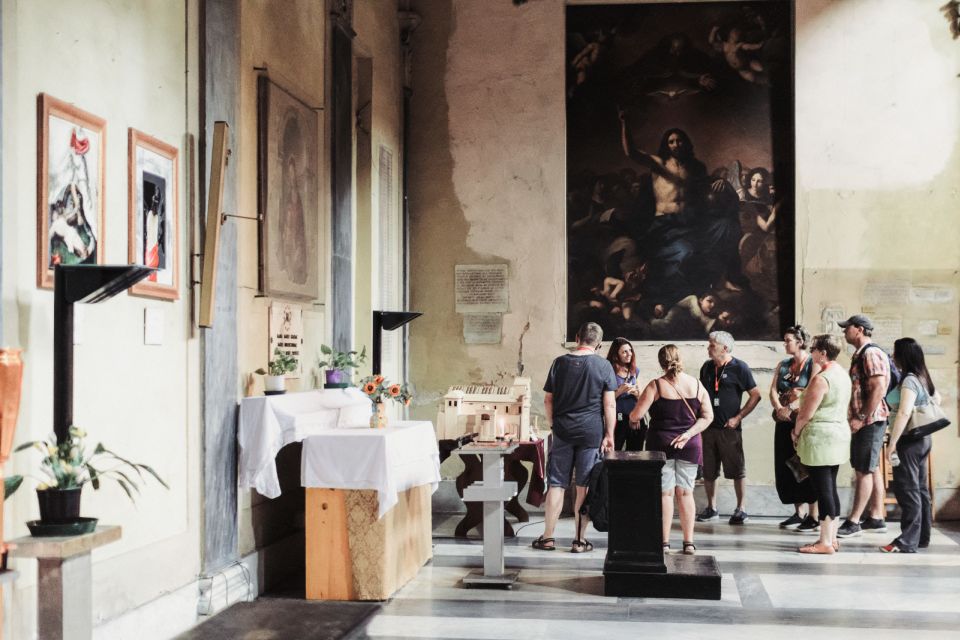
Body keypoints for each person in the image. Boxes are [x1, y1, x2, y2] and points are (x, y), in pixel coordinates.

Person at [534, 322, 617, 553]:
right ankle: (579, 541)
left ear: (577, 337)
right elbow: (609, 404)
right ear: (599, 344)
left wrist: (552, 425)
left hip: (563, 430)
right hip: (591, 432)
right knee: (584, 486)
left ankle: (548, 537)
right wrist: (609, 434)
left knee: (557, 483)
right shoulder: (603, 365)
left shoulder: (559, 363)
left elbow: (548, 399)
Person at [629, 345, 713, 554]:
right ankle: (689, 543)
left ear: (661, 362)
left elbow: (635, 416)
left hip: (661, 446)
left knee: (665, 494)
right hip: (690, 445)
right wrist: (688, 434)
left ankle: (664, 543)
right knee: (686, 493)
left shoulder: (656, 386)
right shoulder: (695, 384)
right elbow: (707, 417)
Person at [791, 334, 852, 554]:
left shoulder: (822, 378)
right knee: (830, 487)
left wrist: (796, 433)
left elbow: (806, 414)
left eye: (814, 348)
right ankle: (832, 538)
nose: (812, 351)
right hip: (838, 435)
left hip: (820, 439)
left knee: (823, 489)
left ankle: (825, 542)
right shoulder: (842, 374)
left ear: (823, 353)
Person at [697, 330, 761, 524]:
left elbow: (756, 395)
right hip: (708, 428)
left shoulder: (739, 367)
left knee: (737, 470)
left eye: (712, 345)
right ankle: (711, 508)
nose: (708, 348)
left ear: (724, 348)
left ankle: (741, 509)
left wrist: (738, 417)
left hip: (729, 429)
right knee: (709, 470)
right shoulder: (707, 368)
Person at [836, 315, 891, 538]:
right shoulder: (861, 354)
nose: (843, 332)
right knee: (871, 468)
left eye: (846, 328)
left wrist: (861, 416)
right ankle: (876, 517)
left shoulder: (870, 353)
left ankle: (854, 521)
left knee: (863, 471)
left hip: (870, 420)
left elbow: (878, 388)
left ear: (859, 329)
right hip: (869, 420)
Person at [882, 338, 939, 553]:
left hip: (909, 440)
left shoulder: (909, 381)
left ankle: (907, 541)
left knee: (908, 490)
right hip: (924, 438)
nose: (892, 355)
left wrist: (892, 443)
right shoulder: (922, 377)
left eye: (895, 352)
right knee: (920, 489)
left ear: (902, 355)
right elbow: (938, 399)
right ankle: (922, 537)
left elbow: (904, 412)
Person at [769, 325, 820, 532]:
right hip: (784, 420)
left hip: (803, 420)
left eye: (788, 339)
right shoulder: (783, 364)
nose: (785, 343)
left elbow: (811, 391)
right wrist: (781, 408)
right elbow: (772, 390)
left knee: (805, 465)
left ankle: (814, 514)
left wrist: (792, 407)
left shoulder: (812, 364)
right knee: (786, 465)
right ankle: (798, 512)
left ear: (800, 341)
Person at [605, 337, 645, 451]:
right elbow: (604, 400)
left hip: (634, 418)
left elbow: (641, 397)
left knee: (635, 453)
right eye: (624, 352)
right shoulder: (609, 371)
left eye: (630, 350)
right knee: (614, 452)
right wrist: (619, 391)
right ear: (616, 354)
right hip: (617, 418)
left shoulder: (634, 370)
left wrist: (637, 394)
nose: (629, 354)